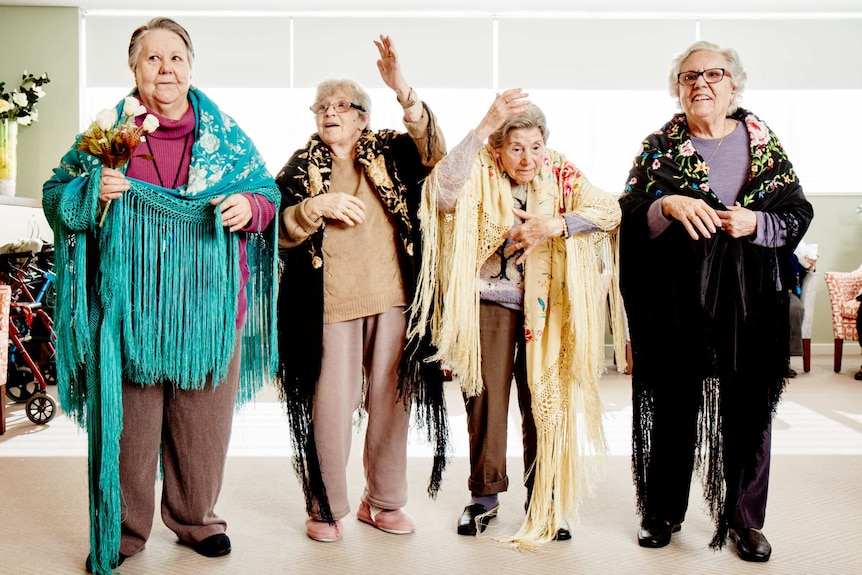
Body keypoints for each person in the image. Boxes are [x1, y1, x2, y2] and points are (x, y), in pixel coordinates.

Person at [42, 17, 279, 575]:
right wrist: (89, 190)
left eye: (176, 57)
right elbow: (57, 194)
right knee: (131, 425)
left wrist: (251, 207)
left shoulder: (226, 135)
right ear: (134, 69)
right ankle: (125, 529)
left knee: (203, 425)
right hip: (131, 310)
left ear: (190, 66)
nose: (166, 68)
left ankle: (197, 520)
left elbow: (265, 191)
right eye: (153, 58)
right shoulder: (108, 136)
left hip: (210, 310)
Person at [619, 40, 814, 563]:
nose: (700, 82)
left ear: (734, 84)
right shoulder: (659, 146)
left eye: (712, 73)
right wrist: (667, 202)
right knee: (674, 407)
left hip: (752, 300)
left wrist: (758, 222)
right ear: (678, 88)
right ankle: (662, 512)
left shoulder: (764, 143)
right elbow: (631, 212)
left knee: (750, 411)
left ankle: (745, 521)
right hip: (677, 302)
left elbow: (798, 212)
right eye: (688, 76)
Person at [410, 92, 625, 549]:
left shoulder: (561, 171)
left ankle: (543, 498)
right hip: (488, 301)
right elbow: (441, 190)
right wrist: (484, 127)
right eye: (515, 147)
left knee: (543, 399)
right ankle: (484, 498)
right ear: (498, 147)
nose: (527, 158)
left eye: (535, 146)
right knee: (484, 398)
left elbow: (609, 211)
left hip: (546, 305)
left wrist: (555, 226)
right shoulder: (480, 166)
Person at [274, 35, 448, 543]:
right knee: (331, 406)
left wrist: (402, 88)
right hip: (329, 306)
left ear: (362, 117)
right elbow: (279, 227)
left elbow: (435, 151)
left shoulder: (392, 149)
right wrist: (315, 206)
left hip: (394, 298)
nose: (330, 113)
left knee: (393, 401)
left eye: (342, 106)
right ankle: (326, 507)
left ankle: (384, 502)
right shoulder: (298, 166)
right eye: (321, 107)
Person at [787, 240, 817, 377]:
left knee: (795, 308)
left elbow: (801, 274)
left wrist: (810, 266)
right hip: (760, 294)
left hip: (787, 293)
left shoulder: (794, 254)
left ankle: (785, 361)